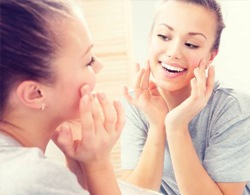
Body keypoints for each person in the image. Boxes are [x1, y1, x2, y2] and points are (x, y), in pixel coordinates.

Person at [121, 0, 250, 195]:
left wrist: (176, 126)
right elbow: (134, 192)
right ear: (150, 39)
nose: (173, 53)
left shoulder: (234, 110)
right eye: (164, 36)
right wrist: (157, 125)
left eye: (191, 44)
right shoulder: (136, 103)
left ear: (211, 56)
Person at [0, 0, 125, 194]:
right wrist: (98, 164)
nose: (99, 67)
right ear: (36, 93)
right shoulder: (33, 178)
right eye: (89, 61)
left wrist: (79, 163)